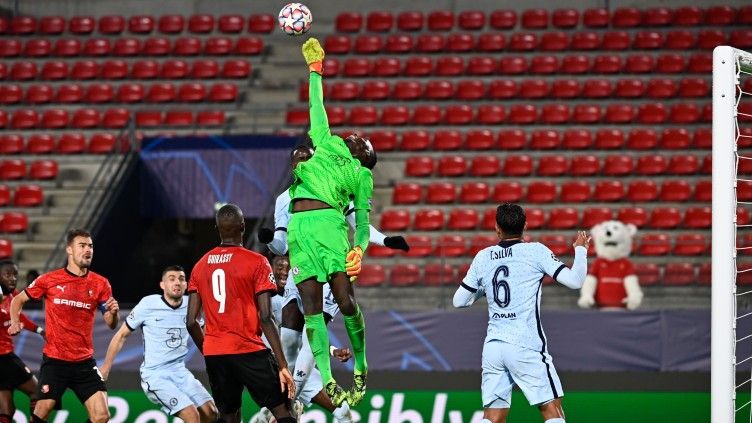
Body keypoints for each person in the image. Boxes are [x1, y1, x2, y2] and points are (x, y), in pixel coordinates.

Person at [258, 143, 409, 410]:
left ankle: (290, 400)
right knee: (289, 339)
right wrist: (269, 241)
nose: (302, 162)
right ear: (292, 166)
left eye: (307, 157)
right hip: (301, 267)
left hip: (329, 266)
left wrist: (386, 240)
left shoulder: (333, 184)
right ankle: (288, 396)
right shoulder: (285, 199)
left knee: (311, 334)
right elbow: (281, 246)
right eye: (297, 159)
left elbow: (358, 224)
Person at [285, 37, 376, 406]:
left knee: (342, 297)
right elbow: (315, 106)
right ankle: (327, 378)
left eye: (364, 142)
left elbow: (365, 222)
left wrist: (360, 248)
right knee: (310, 308)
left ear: (366, 157)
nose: (358, 136)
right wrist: (315, 71)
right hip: (299, 227)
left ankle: (362, 364)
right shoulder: (328, 141)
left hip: (329, 225)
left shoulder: (361, 174)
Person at [453, 203, 590, 423]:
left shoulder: (483, 257)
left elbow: (459, 301)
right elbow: (575, 281)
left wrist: (485, 289)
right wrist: (581, 250)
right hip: (525, 343)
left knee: (492, 416)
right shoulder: (535, 251)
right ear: (525, 225)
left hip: (494, 346)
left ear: (497, 227)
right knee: (552, 408)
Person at [186, 204, 295, 423]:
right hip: (248, 349)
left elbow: (190, 322)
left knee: (228, 416)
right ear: (243, 227)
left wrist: (210, 350)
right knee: (283, 410)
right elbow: (266, 317)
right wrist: (282, 365)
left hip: (216, 353)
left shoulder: (200, 266)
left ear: (217, 229)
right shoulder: (257, 262)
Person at [7, 229, 120, 423]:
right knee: (41, 412)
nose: (88, 250)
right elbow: (18, 300)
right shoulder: (49, 280)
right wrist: (15, 321)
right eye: (82, 246)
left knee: (102, 415)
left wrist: (114, 313)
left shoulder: (101, 283)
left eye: (90, 246)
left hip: (84, 362)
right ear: (69, 249)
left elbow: (111, 324)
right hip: (55, 361)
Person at [100, 265, 219, 423]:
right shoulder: (148, 304)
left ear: (186, 284)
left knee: (211, 413)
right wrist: (106, 367)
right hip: (155, 374)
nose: (177, 282)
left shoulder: (192, 304)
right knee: (192, 416)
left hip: (180, 372)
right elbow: (121, 335)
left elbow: (203, 335)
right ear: (162, 285)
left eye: (181, 279)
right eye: (172, 279)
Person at [251, 255, 353, 423]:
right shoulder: (266, 300)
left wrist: (333, 351)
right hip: (277, 368)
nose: (284, 272)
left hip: (298, 367)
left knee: (343, 410)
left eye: (287, 268)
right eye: (279, 267)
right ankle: (276, 411)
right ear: (269, 269)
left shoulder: (295, 297)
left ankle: (270, 413)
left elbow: (308, 337)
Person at [0, 260, 45, 423]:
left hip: (6, 356)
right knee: (38, 393)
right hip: (4, 358)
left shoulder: (14, 296)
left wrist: (39, 331)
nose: (12, 278)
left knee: (7, 410)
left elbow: (20, 317)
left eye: (15, 275)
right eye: (7, 274)